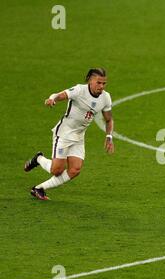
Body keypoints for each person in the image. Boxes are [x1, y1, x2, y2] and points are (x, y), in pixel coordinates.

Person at [24, 68, 114, 200]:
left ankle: (38, 189)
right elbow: (59, 95)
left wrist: (109, 136)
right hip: (64, 133)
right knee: (56, 170)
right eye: (98, 82)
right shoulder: (79, 90)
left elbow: (109, 119)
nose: (101, 86)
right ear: (90, 80)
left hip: (79, 136)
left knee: (75, 170)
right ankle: (38, 159)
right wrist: (52, 99)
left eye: (104, 83)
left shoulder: (106, 97)